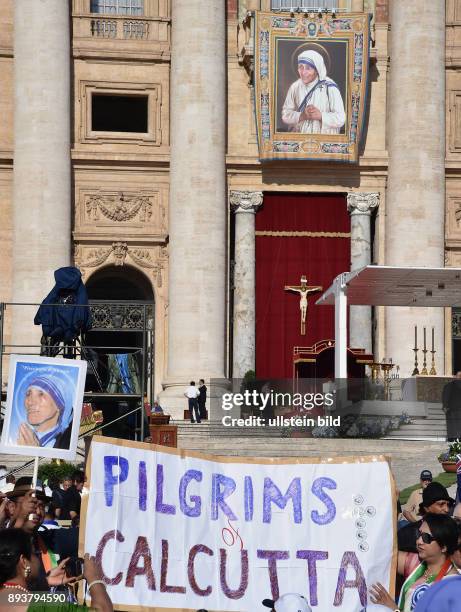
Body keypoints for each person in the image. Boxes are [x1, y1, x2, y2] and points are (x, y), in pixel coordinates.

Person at [0, 528, 113, 611]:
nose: (37, 558)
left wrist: (46, 581)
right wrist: (94, 579)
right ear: (24, 562)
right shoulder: (42, 605)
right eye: (35, 553)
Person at [371, 513, 459, 611]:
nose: (419, 541)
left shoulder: (451, 585)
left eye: (426, 538)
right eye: (419, 534)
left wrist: (394, 609)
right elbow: (381, 554)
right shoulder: (416, 563)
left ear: (443, 547)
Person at [281, 49, 345, 134]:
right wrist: (301, 116)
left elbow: (341, 118)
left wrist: (321, 116)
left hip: (324, 139)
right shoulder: (295, 87)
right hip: (300, 139)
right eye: (301, 67)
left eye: (308, 68)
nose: (303, 72)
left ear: (317, 69)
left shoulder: (330, 87)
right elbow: (285, 115)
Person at [14, 376, 74, 450]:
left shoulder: (67, 442)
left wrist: (33, 452)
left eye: (41, 394)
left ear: (59, 405)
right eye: (28, 394)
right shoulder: (15, 435)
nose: (30, 402)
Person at [398, 482, 455, 553]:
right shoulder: (405, 535)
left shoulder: (453, 530)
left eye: (448, 505)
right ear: (426, 508)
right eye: (441, 504)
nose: (447, 509)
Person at [442, 372, 461, 440]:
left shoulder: (448, 385)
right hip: (455, 410)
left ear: (456, 376)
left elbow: (445, 397)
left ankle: (452, 444)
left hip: (451, 410)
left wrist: (445, 407)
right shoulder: (449, 385)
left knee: (452, 430)